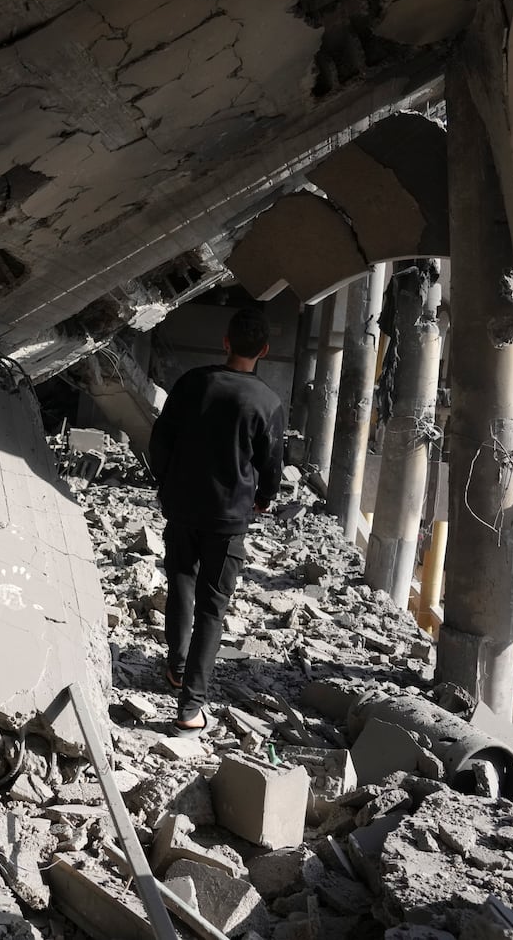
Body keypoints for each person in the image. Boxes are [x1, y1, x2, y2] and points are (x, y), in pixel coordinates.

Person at [148, 306, 285, 736]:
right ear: (263, 350)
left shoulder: (192, 384)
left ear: (225, 343)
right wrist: (261, 500)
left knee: (181, 586)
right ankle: (190, 707)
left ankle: (176, 666)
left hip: (183, 508)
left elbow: (160, 441)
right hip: (228, 522)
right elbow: (272, 467)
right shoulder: (267, 402)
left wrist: (167, 483)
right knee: (212, 608)